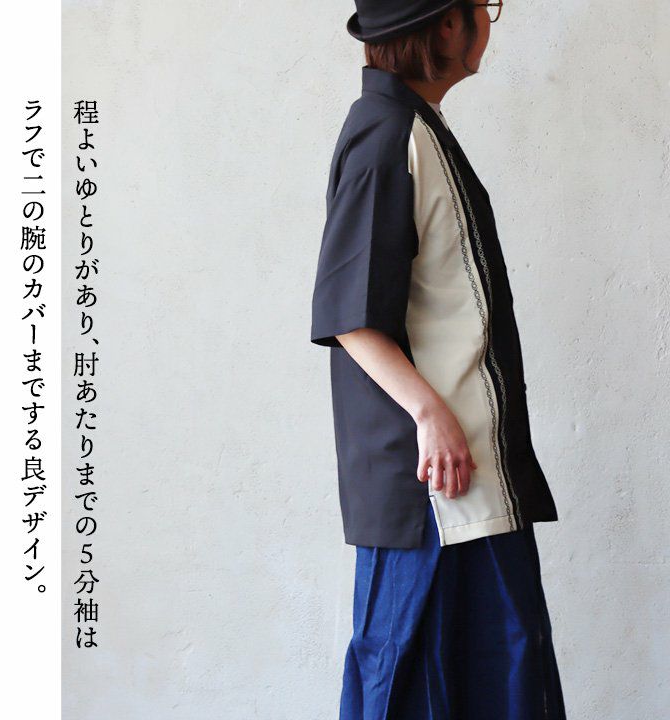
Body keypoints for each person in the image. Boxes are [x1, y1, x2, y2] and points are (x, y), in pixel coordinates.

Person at [309, 1, 568, 718]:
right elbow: (350, 315)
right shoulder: (386, 134)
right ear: (448, 25)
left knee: (497, 679)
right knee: (415, 681)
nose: (490, 20)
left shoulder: (415, 128)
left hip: (466, 480)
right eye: (484, 7)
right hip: (431, 490)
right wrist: (430, 414)